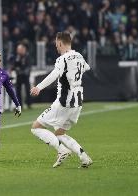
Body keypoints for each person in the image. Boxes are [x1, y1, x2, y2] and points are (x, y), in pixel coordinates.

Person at [30, 32, 92, 168]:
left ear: (59, 43)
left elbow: (54, 75)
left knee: (36, 127)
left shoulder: (62, 59)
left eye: (56, 44)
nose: (56, 47)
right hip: (77, 102)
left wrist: (39, 87)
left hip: (64, 101)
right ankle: (84, 157)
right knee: (59, 133)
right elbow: (87, 67)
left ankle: (62, 151)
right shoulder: (79, 56)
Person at [10, 44, 32, 109]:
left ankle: (29, 104)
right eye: (18, 50)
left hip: (25, 75)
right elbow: (13, 65)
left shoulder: (27, 56)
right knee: (18, 90)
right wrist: (14, 68)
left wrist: (25, 71)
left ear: (23, 49)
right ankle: (20, 105)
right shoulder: (17, 57)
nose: (18, 51)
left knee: (27, 89)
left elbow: (29, 66)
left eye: (20, 50)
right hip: (19, 75)